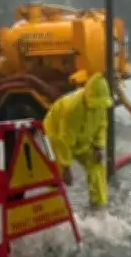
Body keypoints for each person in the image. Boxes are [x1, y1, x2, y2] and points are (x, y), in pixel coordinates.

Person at [43, 73, 114, 209]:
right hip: (56, 133)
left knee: (96, 164)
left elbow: (101, 125)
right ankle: (52, 209)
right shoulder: (73, 108)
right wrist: (66, 167)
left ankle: (99, 205)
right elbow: (64, 139)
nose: (97, 107)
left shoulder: (100, 104)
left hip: (80, 136)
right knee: (56, 173)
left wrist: (98, 147)